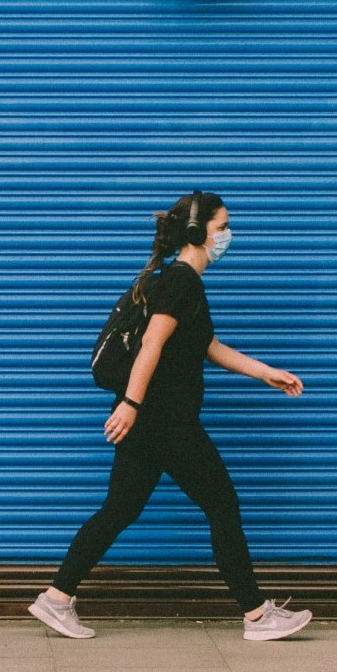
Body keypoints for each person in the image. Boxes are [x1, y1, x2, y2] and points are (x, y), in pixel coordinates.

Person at [29, 190, 313, 642]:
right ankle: (258, 615)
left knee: (119, 509)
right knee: (222, 504)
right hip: (165, 420)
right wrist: (132, 404)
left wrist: (266, 374)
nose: (228, 236)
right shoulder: (181, 281)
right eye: (222, 228)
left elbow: (207, 348)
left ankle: (57, 598)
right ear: (199, 234)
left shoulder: (177, 281)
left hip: (152, 420)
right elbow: (151, 346)